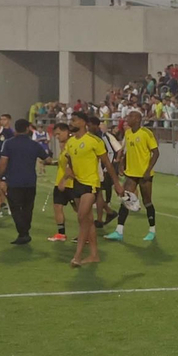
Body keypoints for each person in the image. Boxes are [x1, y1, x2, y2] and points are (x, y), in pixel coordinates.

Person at [59, 112, 120, 268]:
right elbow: (70, 161)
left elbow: (107, 163)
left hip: (91, 184)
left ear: (83, 122)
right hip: (77, 184)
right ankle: (94, 255)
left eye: (74, 120)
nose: (71, 123)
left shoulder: (94, 141)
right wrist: (65, 178)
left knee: (81, 217)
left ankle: (77, 256)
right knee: (88, 220)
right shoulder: (71, 142)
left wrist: (117, 184)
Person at [0, 118, 52, 245]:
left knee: (15, 208)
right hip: (30, 182)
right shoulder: (34, 145)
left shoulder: (9, 143)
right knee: (27, 208)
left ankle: (23, 233)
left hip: (14, 181)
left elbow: (3, 163)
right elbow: (47, 159)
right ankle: (25, 232)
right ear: (27, 129)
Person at [107, 109, 158, 243]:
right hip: (131, 173)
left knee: (147, 201)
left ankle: (152, 230)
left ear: (137, 119)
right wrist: (122, 164)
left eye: (130, 116)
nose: (127, 118)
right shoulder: (128, 133)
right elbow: (127, 151)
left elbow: (156, 153)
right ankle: (119, 231)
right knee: (126, 200)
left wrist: (148, 170)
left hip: (144, 174)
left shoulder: (146, 133)